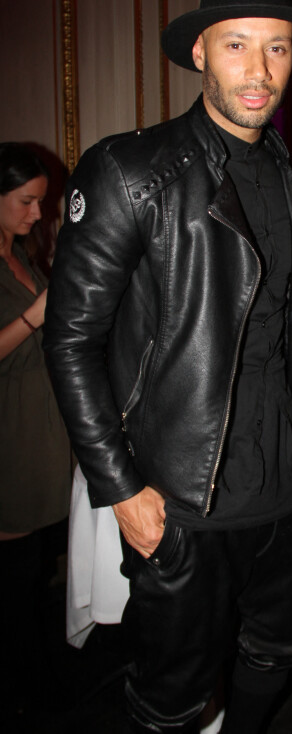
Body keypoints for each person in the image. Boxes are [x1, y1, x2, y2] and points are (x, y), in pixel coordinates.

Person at [43, 0, 292, 734]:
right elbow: (72, 340)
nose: (259, 69)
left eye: (276, 48)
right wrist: (121, 490)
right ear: (200, 53)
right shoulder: (129, 170)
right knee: (170, 693)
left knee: (278, 649)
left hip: (283, 491)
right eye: (237, 45)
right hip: (182, 497)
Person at [0, 142, 71, 718]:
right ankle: (30, 697)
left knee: (37, 569)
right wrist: (36, 313)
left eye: (42, 203)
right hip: (9, 432)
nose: (36, 214)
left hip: (41, 428)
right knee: (14, 579)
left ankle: (41, 678)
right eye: (26, 202)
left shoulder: (22, 253)